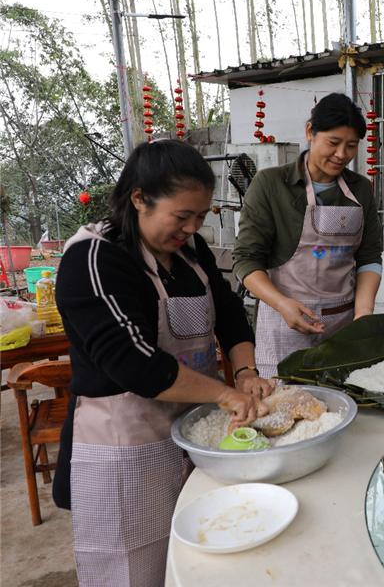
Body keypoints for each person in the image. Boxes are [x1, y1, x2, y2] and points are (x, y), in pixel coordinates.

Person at [53, 139, 274, 587]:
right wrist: (224, 394)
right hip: (125, 444)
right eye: (182, 216)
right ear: (140, 198)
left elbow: (230, 314)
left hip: (195, 431)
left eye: (200, 217)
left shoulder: (191, 252)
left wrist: (246, 372)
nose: (191, 229)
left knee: (200, 554)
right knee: (135, 569)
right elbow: (135, 363)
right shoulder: (95, 258)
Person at [234, 93, 383, 378]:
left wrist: (363, 313)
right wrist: (282, 304)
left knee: (342, 396)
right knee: (286, 397)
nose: (342, 154)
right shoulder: (271, 184)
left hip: (343, 324)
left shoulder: (361, 189)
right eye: (333, 142)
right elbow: (246, 260)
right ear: (310, 132)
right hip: (285, 321)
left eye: (352, 146)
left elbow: (369, 257)